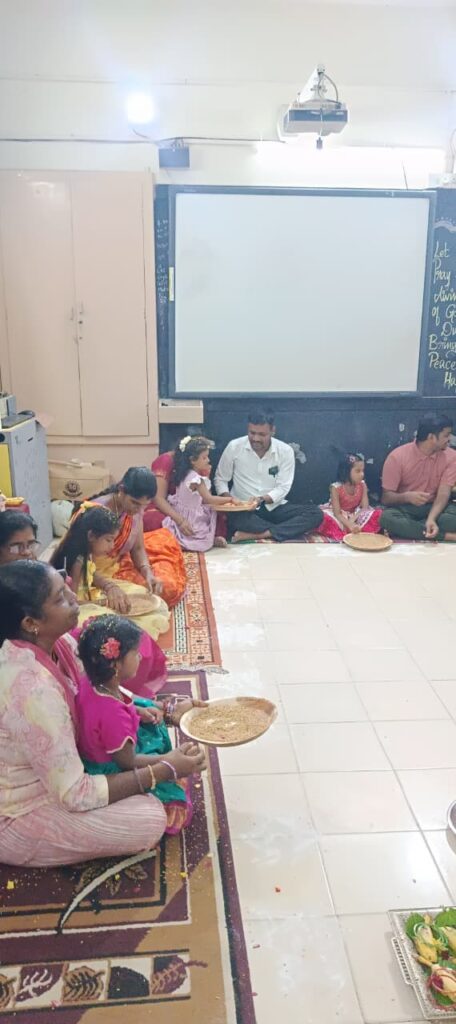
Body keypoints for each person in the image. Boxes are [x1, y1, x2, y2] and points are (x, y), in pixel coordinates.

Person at [0, 561, 205, 867]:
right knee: (149, 819)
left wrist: (163, 710)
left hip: (62, 769)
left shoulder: (59, 642)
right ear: (31, 623)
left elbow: (100, 692)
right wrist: (164, 769)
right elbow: (74, 793)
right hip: (22, 810)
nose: (74, 597)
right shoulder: (33, 692)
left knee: (137, 730)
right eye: (60, 598)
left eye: (65, 587)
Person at [77, 615, 200, 835]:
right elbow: (128, 761)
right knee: (175, 800)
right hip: (113, 765)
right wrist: (168, 761)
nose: (141, 656)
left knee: (146, 708)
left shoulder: (90, 681)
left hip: (103, 744)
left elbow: (119, 706)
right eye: (135, 653)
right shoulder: (113, 714)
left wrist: (137, 710)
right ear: (115, 664)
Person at [50, 503, 170, 641]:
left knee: (139, 593)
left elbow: (90, 573)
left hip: (89, 595)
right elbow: (72, 603)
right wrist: (104, 603)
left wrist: (109, 586)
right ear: (91, 536)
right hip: (77, 609)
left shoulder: (85, 551)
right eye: (108, 540)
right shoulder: (76, 561)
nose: (112, 546)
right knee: (115, 622)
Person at [214, 410, 323, 542]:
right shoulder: (234, 447)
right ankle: (282, 531)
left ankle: (259, 534)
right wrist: (230, 501)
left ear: (272, 431)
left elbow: (283, 487)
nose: (256, 439)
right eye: (252, 433)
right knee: (237, 520)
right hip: (243, 509)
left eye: (262, 434)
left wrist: (261, 500)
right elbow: (220, 479)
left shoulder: (285, 451)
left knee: (315, 514)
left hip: (274, 507)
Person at [87, 467, 187, 609]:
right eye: (135, 503)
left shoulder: (135, 510)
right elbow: (80, 563)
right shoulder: (95, 512)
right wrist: (109, 586)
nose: (138, 510)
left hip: (119, 562)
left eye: (143, 506)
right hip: (93, 575)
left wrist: (148, 573)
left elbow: (138, 548)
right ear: (121, 490)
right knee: (134, 601)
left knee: (164, 585)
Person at [380, 414, 456, 541]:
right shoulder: (397, 457)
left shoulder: (452, 456)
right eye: (446, 435)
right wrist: (407, 497)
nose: (449, 439)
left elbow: (443, 494)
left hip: (436, 507)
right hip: (406, 509)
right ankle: (446, 536)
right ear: (431, 437)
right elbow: (386, 498)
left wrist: (431, 518)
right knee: (386, 518)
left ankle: (415, 529)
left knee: (451, 516)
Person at [143, 438, 228, 543]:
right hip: (165, 506)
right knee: (153, 520)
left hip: (190, 506)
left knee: (214, 512)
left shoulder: (195, 466)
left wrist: (205, 475)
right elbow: (158, 498)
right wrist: (180, 520)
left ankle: (207, 538)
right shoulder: (166, 461)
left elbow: (204, 498)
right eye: (204, 457)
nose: (208, 460)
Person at [162, 436, 240, 551]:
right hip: (192, 520)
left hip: (181, 513)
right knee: (213, 512)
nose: (208, 460)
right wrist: (230, 499)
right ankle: (206, 539)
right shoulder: (197, 479)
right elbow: (208, 499)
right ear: (193, 460)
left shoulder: (184, 474)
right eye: (204, 457)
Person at [317, 453, 382, 541]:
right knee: (324, 517)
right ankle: (346, 531)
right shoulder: (336, 488)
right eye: (358, 471)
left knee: (377, 514)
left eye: (363, 471)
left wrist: (353, 520)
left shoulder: (362, 485)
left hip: (356, 514)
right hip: (339, 516)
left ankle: (356, 529)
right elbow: (337, 513)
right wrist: (349, 525)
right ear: (346, 472)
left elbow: (365, 507)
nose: (362, 474)